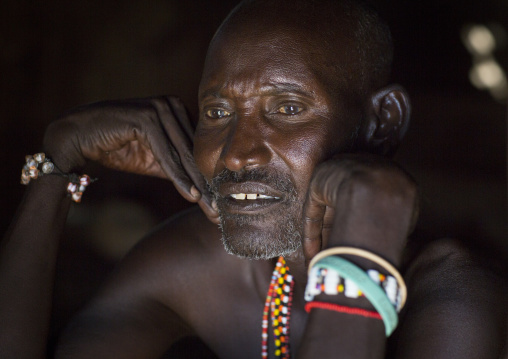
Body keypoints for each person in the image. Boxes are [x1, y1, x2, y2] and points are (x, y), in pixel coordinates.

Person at [0, 0, 506, 358]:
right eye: (217, 111)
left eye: (287, 108)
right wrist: (56, 162)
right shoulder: (198, 266)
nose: (236, 155)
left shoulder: (456, 297)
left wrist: (363, 238)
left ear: (382, 123)